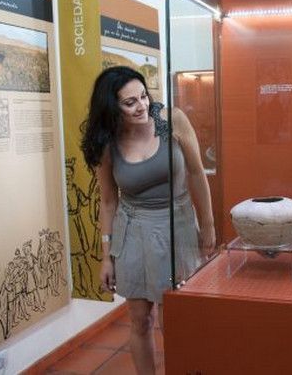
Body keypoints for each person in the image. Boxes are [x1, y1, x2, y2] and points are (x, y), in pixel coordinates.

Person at [81, 66, 215, 374]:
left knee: (174, 319)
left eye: (143, 96)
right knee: (140, 319)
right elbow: (108, 201)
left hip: (176, 225)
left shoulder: (172, 120)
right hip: (133, 231)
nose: (141, 106)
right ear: (112, 107)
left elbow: (197, 173)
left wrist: (207, 225)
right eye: (130, 102)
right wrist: (106, 257)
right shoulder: (108, 142)